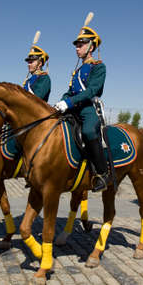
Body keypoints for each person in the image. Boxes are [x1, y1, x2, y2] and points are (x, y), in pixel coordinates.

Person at [55, 15, 107, 192]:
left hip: (88, 108)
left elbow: (91, 91)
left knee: (87, 130)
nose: (77, 48)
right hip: (74, 107)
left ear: (91, 46)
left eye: (81, 44)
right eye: (77, 45)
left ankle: (101, 173)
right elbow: (70, 91)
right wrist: (61, 101)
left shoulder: (98, 66)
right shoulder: (77, 71)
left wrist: (69, 101)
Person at [23, 33, 51, 102]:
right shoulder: (29, 80)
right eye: (28, 62)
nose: (29, 64)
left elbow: (36, 99)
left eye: (31, 62)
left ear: (40, 64)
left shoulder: (44, 78)